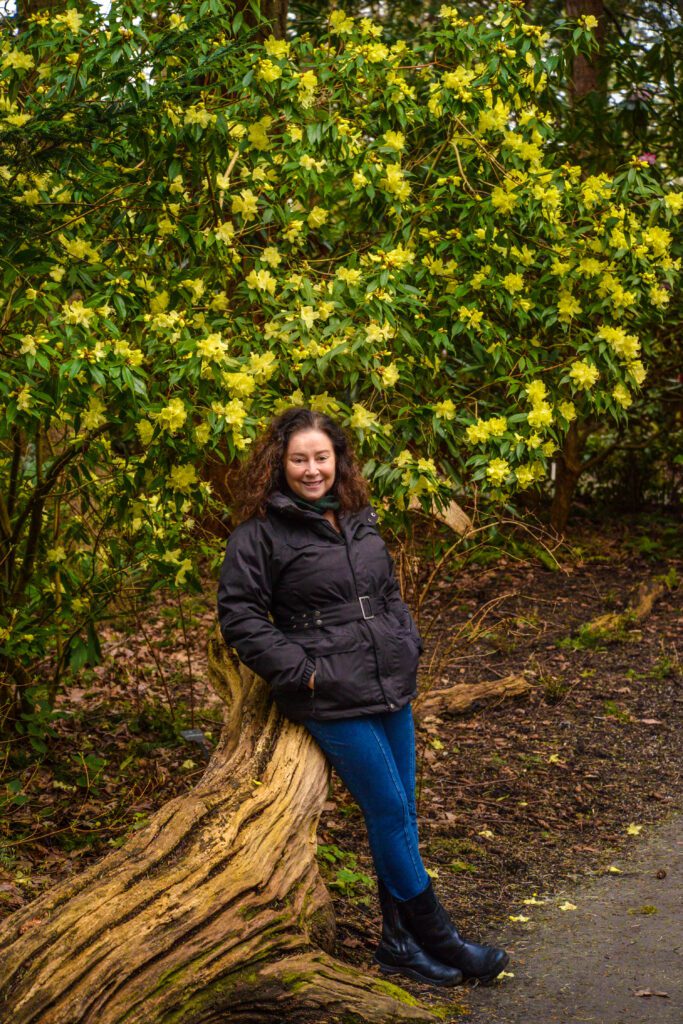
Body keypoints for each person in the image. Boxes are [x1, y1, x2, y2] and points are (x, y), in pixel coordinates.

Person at [217, 407, 509, 988]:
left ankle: (398, 943)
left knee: (402, 813)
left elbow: (386, 591)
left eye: (321, 457)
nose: (311, 469)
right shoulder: (259, 535)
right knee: (388, 811)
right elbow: (241, 616)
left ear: (338, 460)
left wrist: (406, 639)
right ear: (279, 463)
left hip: (387, 681)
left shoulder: (357, 517)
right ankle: (441, 939)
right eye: (298, 458)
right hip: (327, 693)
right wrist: (302, 673)